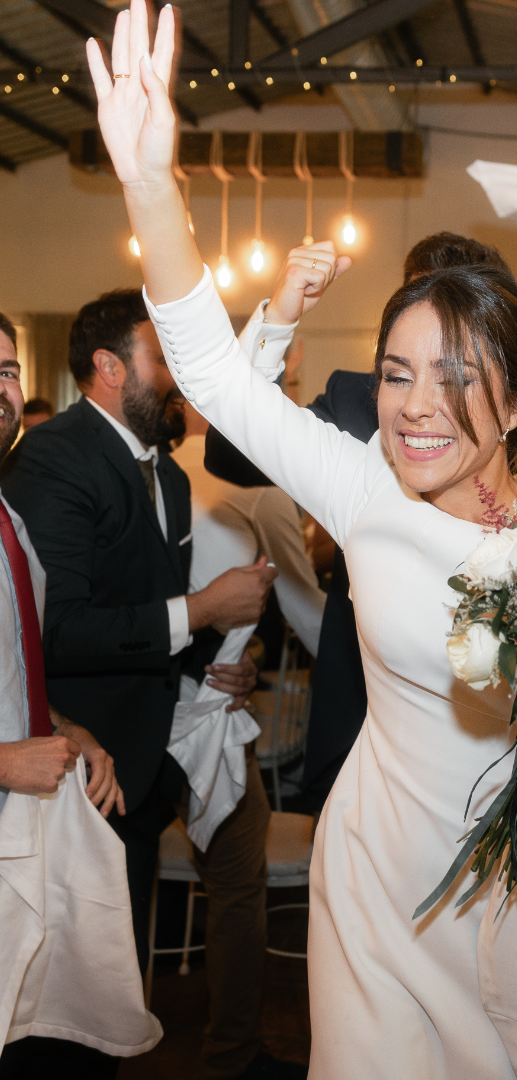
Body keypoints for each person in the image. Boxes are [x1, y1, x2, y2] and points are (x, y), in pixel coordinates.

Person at [87, 11, 517, 1077]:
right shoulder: (365, 491)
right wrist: (154, 187)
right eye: (397, 372)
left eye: (457, 376)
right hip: (380, 888)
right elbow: (213, 379)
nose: (417, 408)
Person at [202, 236, 517, 812]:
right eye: (414, 299)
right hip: (362, 698)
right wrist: (279, 320)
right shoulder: (359, 396)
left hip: (502, 740)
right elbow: (230, 452)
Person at [0, 285, 280, 1079]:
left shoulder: (172, 476)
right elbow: (58, 628)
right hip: (71, 766)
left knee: (116, 965)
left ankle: (220, 1051)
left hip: (141, 750)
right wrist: (199, 608)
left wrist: (217, 664)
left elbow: (147, 618)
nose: (180, 371)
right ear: (109, 368)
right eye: (164, 355)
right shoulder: (54, 459)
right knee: (71, 989)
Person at [0, 313, 161, 1078]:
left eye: (5, 371)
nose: (1, 391)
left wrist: (73, 729)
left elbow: (18, 660)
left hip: (31, 818)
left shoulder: (8, 519)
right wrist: (1, 761)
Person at [177, 405, 326, 655]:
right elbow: (304, 609)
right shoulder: (257, 482)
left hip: (150, 661)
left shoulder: (161, 467)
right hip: (211, 669)